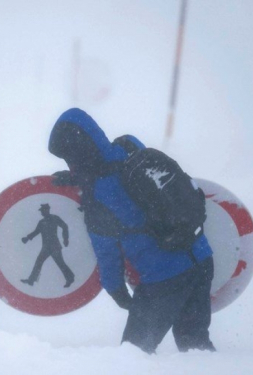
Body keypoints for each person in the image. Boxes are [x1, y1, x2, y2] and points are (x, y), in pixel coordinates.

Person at [48, 108, 214, 353]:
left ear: (74, 152)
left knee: (133, 354)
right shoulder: (129, 147)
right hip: (201, 257)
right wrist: (80, 178)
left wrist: (117, 291)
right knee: (195, 346)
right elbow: (131, 185)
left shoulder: (97, 196)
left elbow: (107, 252)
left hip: (164, 278)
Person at [21, 203, 75, 288]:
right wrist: (27, 238)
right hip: (46, 247)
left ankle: (70, 278)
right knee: (39, 262)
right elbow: (36, 232)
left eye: (43, 211)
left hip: (55, 246)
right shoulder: (42, 222)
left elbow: (64, 226)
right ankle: (31, 280)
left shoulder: (55, 218)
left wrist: (65, 239)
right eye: (41, 211)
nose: (42, 213)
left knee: (60, 263)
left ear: (47, 210)